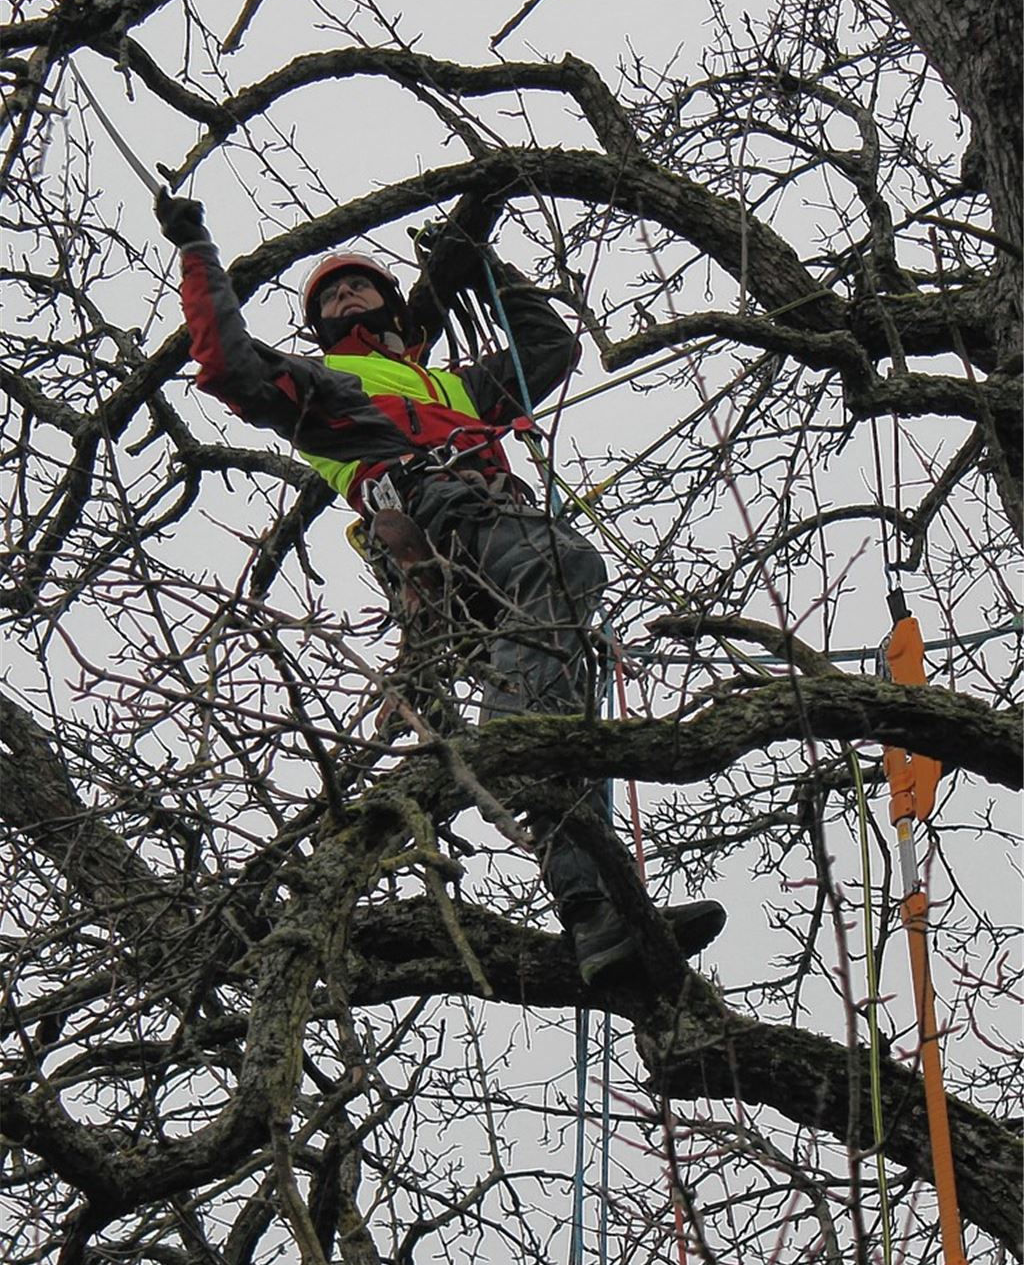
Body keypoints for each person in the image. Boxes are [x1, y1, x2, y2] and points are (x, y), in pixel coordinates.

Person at [155, 191, 725, 982]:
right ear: (317, 325)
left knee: (565, 684)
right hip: (435, 517)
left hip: (489, 530)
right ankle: (513, 745)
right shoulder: (324, 384)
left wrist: (477, 263)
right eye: (329, 295)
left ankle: (599, 913)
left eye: (359, 286)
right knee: (567, 577)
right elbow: (227, 361)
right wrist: (197, 251)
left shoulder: (453, 387)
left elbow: (547, 348)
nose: (346, 296)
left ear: (392, 302)